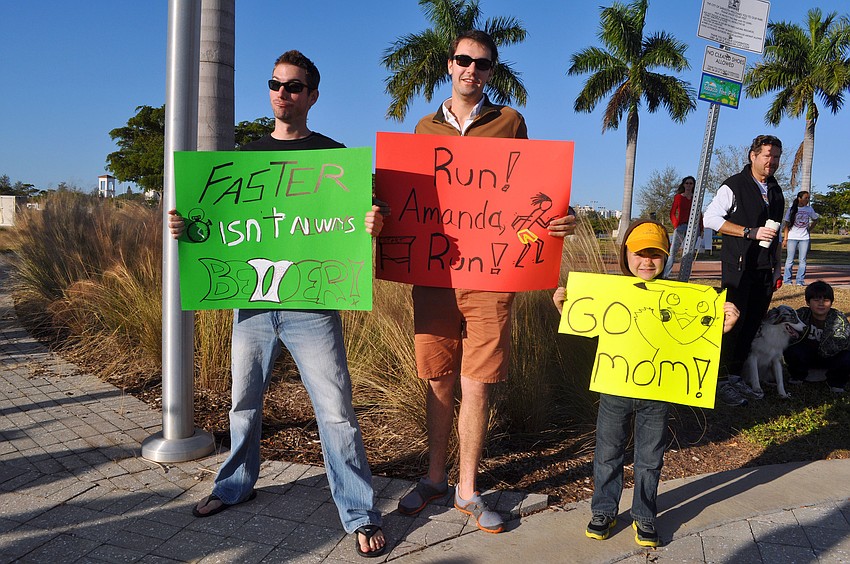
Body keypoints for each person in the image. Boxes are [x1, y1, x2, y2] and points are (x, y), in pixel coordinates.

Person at [168, 50, 387, 558]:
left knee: (335, 412)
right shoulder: (243, 158)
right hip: (253, 304)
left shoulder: (335, 159)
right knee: (242, 402)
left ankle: (358, 511)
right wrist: (186, 229)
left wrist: (375, 224)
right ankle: (232, 486)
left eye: (293, 86)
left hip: (312, 305)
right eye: (275, 84)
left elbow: (365, 218)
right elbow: (218, 226)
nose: (282, 93)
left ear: (311, 95)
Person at [395, 30, 576, 533]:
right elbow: (409, 199)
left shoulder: (510, 122)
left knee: (477, 384)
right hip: (434, 276)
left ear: (492, 72)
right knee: (438, 379)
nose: (471, 70)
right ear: (449, 67)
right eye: (463, 60)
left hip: (492, 278)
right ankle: (433, 477)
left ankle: (468, 489)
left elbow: (531, 190)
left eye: (483, 64)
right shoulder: (423, 128)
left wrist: (562, 216)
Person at [552, 220, 739, 547]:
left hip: (657, 394)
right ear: (626, 254)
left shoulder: (680, 297)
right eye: (640, 253)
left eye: (656, 254)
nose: (647, 261)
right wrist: (563, 310)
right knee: (608, 453)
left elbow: (692, 338)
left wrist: (720, 327)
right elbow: (586, 325)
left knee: (650, 459)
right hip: (615, 389)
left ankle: (644, 515)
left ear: (666, 258)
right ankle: (604, 510)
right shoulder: (609, 293)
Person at [703, 134, 785, 407]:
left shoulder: (775, 189)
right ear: (753, 155)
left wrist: (777, 266)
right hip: (738, 268)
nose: (771, 162)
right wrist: (748, 232)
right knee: (731, 325)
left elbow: (776, 234)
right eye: (766, 156)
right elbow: (711, 218)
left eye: (775, 157)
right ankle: (718, 381)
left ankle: (736, 378)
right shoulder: (734, 185)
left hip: (764, 269)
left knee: (752, 326)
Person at [784, 280, 850, 394]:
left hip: (829, 357)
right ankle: (799, 375)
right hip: (807, 356)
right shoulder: (800, 315)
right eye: (816, 299)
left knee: (847, 356)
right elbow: (784, 329)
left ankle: (835, 382)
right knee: (791, 349)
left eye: (826, 300)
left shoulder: (839, 319)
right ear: (808, 302)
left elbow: (841, 343)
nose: (821, 303)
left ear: (831, 302)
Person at [663, 176, 702, 279]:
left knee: (689, 253)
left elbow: (699, 213)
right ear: (683, 184)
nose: (689, 185)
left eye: (691, 183)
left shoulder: (696, 197)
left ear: (694, 185)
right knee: (673, 252)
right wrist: (676, 224)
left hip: (693, 227)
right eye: (687, 183)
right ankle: (666, 274)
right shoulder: (678, 197)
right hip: (681, 226)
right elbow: (672, 213)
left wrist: (701, 228)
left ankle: (685, 274)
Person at [782, 191, 819, 286]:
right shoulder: (791, 209)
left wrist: (809, 229)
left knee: (802, 260)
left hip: (804, 238)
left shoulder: (809, 209)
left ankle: (800, 281)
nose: (807, 200)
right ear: (799, 198)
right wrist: (785, 239)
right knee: (790, 260)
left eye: (808, 198)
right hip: (792, 237)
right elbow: (786, 225)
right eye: (805, 198)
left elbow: (815, 219)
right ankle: (787, 280)